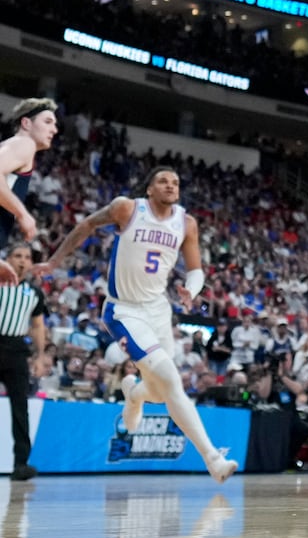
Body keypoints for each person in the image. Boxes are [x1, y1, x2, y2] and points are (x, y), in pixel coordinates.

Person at [38, 167, 237, 482]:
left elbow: (195, 269)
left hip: (158, 310)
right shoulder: (126, 208)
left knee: (159, 393)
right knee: (171, 379)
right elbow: (87, 224)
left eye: (175, 182)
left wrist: (192, 290)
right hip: (123, 311)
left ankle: (134, 394)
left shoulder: (186, 223)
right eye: (163, 181)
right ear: (149, 189)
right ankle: (212, 458)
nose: (170, 185)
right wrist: (54, 261)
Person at [0, 243, 45, 480]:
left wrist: (40, 356)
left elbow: (38, 326)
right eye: (17, 256)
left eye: (27, 257)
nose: (22, 261)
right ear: (6, 258)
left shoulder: (34, 293)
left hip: (17, 349)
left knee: (20, 408)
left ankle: (21, 464)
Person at [0, 98, 56, 242]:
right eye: (48, 122)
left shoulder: (11, 146)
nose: (54, 130)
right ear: (26, 123)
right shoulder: (25, 143)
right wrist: (22, 213)